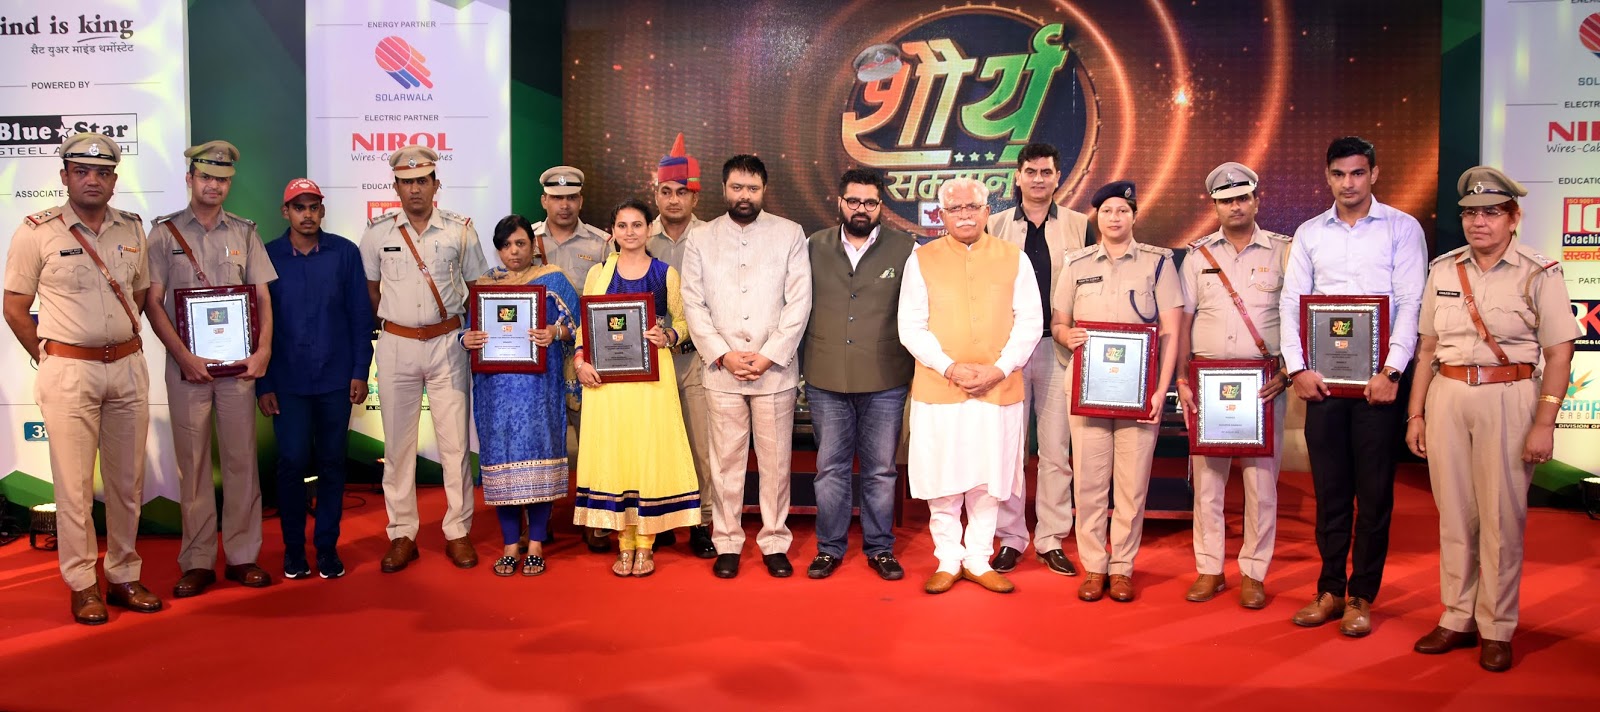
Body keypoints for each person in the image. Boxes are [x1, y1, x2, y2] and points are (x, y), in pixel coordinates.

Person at [1405, 166, 1579, 672]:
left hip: (1510, 396)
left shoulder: (1539, 272)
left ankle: (1497, 626)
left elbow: (1560, 353)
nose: (1478, 222)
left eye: (1491, 212)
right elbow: (1427, 349)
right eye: (1470, 213)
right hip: (1448, 396)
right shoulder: (1444, 269)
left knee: (1502, 518)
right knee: (1455, 514)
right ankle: (1457, 615)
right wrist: (1416, 413)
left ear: (1513, 217)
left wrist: (1544, 422)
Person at [2, 132, 163, 624]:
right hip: (69, 372)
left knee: (126, 483)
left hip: (127, 367)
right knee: (74, 488)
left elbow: (138, 294)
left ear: (114, 179)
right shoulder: (36, 231)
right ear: (65, 176)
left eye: (103, 172)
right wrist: (51, 355)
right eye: (82, 171)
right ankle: (82, 583)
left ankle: (123, 574)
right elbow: (15, 306)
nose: (93, 180)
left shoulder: (132, 228)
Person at [1280, 136, 1425, 636]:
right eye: (1339, 174)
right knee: (1330, 491)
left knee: (1375, 494)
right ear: (1328, 177)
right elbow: (1291, 302)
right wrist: (1297, 368)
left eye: (1358, 173)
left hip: (1378, 386)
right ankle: (1329, 589)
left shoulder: (1402, 228)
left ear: (1374, 174)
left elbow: (1410, 303)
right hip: (1322, 384)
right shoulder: (1309, 233)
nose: (1349, 183)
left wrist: (1392, 372)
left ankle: (1362, 594)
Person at [145, 140, 278, 597]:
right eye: (206, 177)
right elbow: (152, 303)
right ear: (190, 179)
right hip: (187, 369)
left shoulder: (244, 232)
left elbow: (262, 297)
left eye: (222, 179)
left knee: (242, 462)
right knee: (194, 464)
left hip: (238, 369)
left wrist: (263, 351)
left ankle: (243, 555)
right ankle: (198, 559)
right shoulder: (163, 235)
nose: (214, 185)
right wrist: (184, 356)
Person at [899, 176, 1041, 594]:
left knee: (988, 476)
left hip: (998, 388)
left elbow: (1030, 322)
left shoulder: (1014, 258)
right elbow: (910, 326)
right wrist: (949, 368)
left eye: (972, 207)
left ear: (987, 211)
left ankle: (978, 557)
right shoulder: (921, 259)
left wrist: (1000, 369)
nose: (964, 215)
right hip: (940, 387)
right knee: (943, 476)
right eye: (955, 209)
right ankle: (948, 558)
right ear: (941, 215)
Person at [681, 154, 812, 579]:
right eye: (737, 187)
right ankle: (727, 542)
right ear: (723, 189)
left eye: (752, 189)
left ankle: (774, 541)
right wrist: (723, 354)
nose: (744, 195)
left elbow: (799, 301)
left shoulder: (790, 233)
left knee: (776, 464)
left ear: (764, 191)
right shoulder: (701, 238)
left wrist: (770, 354)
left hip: (774, 371)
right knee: (725, 464)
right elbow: (693, 303)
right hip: (721, 371)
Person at [360, 144, 489, 573]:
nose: (414, 189)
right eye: (406, 182)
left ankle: (457, 531)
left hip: (447, 343)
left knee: (455, 445)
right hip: (396, 344)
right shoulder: (377, 233)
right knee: (398, 446)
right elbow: (371, 292)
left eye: (422, 181)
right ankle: (402, 533)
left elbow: (477, 289)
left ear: (436, 184)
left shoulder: (460, 230)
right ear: (395, 187)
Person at [1053, 181, 1182, 603]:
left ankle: (1123, 566)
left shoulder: (1158, 264)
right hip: (1087, 390)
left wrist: (1161, 391)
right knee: (1089, 484)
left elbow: (1171, 332)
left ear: (1133, 216)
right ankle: (1095, 565)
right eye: (1107, 210)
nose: (1114, 217)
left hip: (1139, 394)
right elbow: (1059, 322)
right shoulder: (1076, 263)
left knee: (1131, 485)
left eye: (1122, 210)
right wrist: (1066, 335)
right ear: (1097, 216)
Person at [1175, 163, 1291, 608]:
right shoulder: (1197, 256)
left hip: (1263, 385)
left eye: (1242, 197)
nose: (1235, 206)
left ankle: (1254, 572)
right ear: (1215, 206)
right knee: (1207, 484)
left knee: (1262, 485)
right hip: (1208, 383)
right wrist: (1182, 378)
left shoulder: (1282, 252)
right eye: (1226, 200)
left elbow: (1298, 315)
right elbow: (1183, 323)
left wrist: (1288, 369)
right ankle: (1209, 569)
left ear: (1257, 200)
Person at [572, 199, 702, 576]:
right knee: (616, 455)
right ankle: (623, 544)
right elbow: (584, 326)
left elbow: (685, 321)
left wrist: (670, 335)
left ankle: (645, 545)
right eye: (622, 225)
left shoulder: (665, 273)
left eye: (637, 225)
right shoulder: (598, 273)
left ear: (649, 229)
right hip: (606, 382)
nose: (629, 232)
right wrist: (580, 362)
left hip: (652, 379)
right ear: (612, 231)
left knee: (648, 453)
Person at [256, 178, 373, 580]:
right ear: (285, 212)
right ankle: (293, 550)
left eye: (313, 207)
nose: (307, 215)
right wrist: (263, 383)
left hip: (335, 380)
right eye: (299, 207)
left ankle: (326, 548)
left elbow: (361, 317)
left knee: (332, 463)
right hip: (287, 382)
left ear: (322, 211)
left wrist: (360, 371)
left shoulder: (345, 253)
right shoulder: (267, 256)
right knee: (290, 462)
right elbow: (257, 324)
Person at [802, 169, 916, 581]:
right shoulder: (812, 246)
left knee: (881, 470)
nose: (861, 209)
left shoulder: (906, 249)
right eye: (854, 201)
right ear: (840, 202)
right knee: (830, 469)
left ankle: (880, 548)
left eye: (870, 202)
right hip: (825, 376)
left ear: (881, 206)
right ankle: (829, 548)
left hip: (885, 378)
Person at [987, 142, 1091, 576]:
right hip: (1009, 351)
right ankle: (1011, 537)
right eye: (1030, 171)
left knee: (1055, 450)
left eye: (1046, 172)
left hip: (1057, 348)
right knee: (1010, 449)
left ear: (1058, 177)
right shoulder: (994, 225)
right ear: (1017, 176)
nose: (1038, 179)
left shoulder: (1080, 225)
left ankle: (1051, 538)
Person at [461, 215, 581, 577]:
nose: (513, 251)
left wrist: (555, 332)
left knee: (538, 462)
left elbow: (580, 327)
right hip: (496, 393)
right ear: (497, 250)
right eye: (505, 245)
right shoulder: (485, 286)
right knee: (504, 466)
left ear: (533, 245)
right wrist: (465, 339)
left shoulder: (553, 279)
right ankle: (510, 545)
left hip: (539, 391)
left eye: (520, 243)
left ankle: (537, 544)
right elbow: (469, 330)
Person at [531, 164, 610, 553]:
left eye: (571, 197)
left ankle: (595, 518)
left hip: (584, 355)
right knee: (542, 435)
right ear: (544, 200)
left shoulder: (601, 244)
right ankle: (539, 519)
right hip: (539, 355)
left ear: (581, 200)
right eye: (556, 198)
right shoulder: (525, 240)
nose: (564, 205)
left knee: (594, 437)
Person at [647, 134, 715, 558]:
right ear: (655, 193)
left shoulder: (713, 237)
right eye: (666, 192)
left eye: (682, 192)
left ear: (695, 197)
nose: (673, 200)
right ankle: (661, 519)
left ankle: (703, 523)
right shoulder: (637, 235)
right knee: (656, 442)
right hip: (649, 360)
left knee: (701, 446)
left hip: (697, 360)